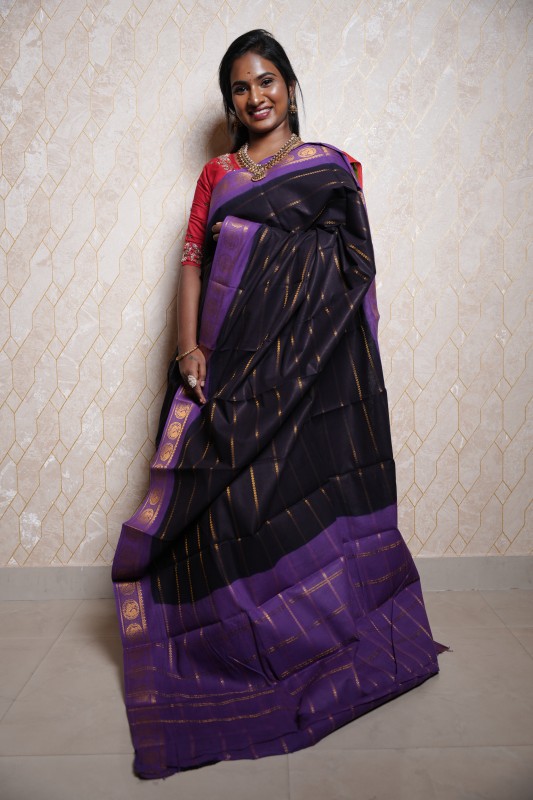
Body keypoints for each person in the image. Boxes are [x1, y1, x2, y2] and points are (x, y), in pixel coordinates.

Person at [112, 29, 448, 779]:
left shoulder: (329, 168)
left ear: (289, 87)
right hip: (227, 362)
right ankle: (233, 643)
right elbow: (193, 260)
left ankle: (314, 637)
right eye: (240, 87)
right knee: (228, 507)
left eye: (265, 80)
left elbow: (352, 268)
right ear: (230, 102)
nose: (254, 96)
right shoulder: (218, 174)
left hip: (308, 375)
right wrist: (188, 350)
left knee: (295, 498)